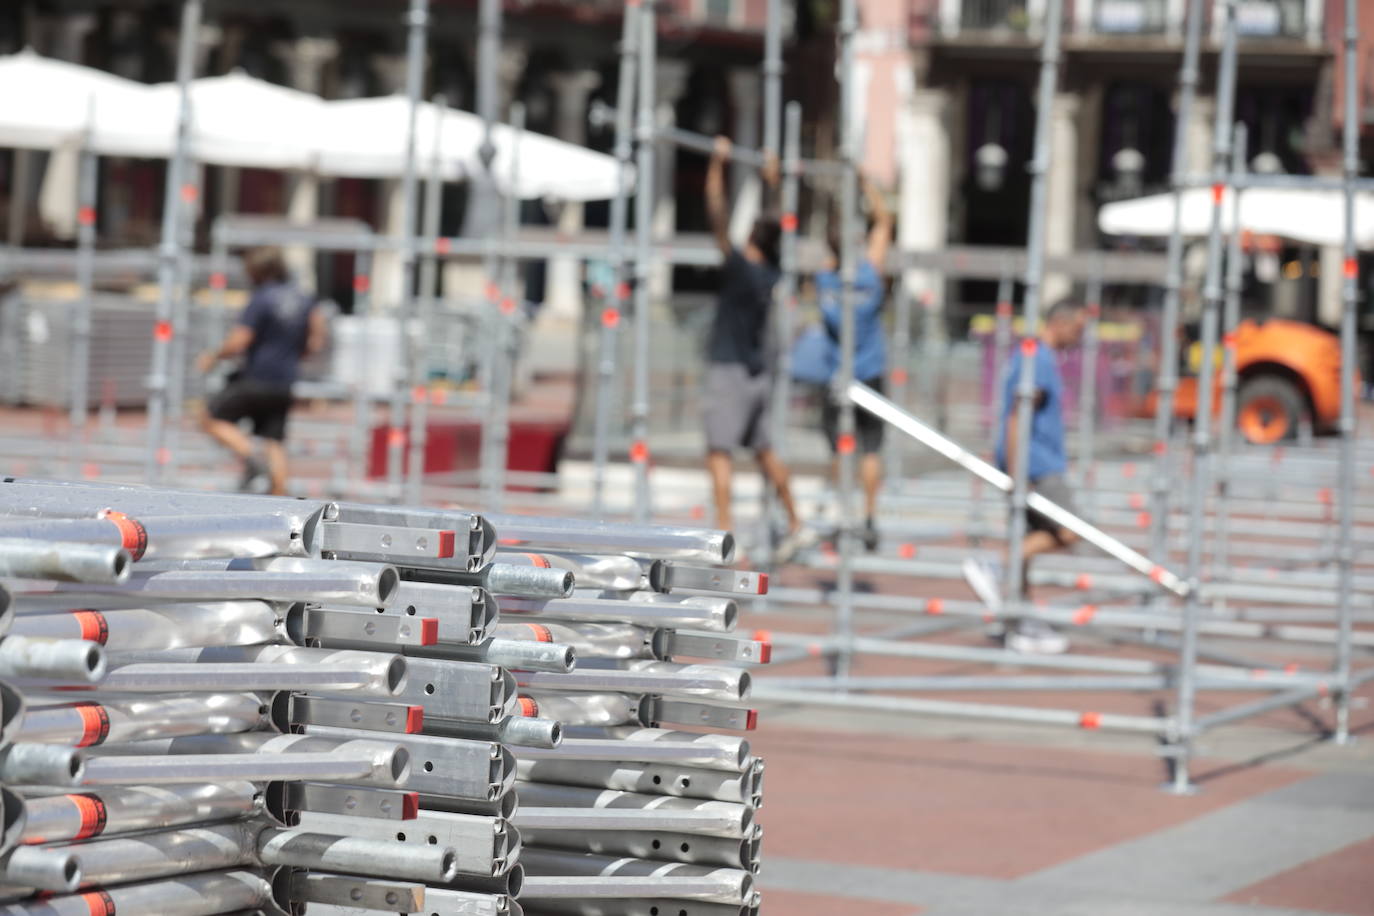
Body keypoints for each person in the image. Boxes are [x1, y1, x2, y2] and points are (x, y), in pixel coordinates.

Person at [702, 136, 810, 564]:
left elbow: (716, 214)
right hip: (756, 373)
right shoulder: (772, 272)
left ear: (752, 238)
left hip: (729, 370)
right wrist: (774, 182)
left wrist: (717, 166)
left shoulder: (743, 269)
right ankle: (797, 522)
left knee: (719, 453)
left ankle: (725, 536)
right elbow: (776, 225)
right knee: (764, 451)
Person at [963, 299, 1086, 653]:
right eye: (1077, 328)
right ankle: (998, 566)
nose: (1078, 337)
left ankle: (1020, 619)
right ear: (1059, 323)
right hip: (1038, 464)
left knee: (1032, 538)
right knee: (1069, 530)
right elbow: (1017, 416)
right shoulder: (1039, 360)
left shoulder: (1030, 356)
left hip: (1032, 461)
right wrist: (1018, 471)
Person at [197, 247, 326, 495]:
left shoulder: (261, 298)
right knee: (274, 441)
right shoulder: (304, 299)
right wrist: (291, 356)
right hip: (285, 380)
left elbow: (240, 340)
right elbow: (315, 341)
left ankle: (253, 459)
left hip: (257, 377)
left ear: (257, 270)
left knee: (211, 417)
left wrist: (213, 356)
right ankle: (282, 498)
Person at [814, 173, 894, 551]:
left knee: (838, 448)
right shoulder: (870, 272)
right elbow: (884, 221)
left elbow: (835, 246)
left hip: (838, 375)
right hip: (871, 372)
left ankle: (839, 512)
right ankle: (869, 517)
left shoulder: (825, 280)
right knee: (871, 449)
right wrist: (866, 184)